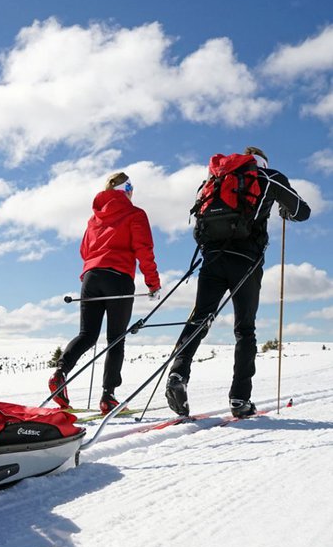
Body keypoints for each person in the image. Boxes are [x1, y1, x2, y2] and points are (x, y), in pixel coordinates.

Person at [165, 146, 311, 419]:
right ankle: (239, 398)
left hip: (212, 257)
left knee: (199, 319)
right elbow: (302, 211)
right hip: (246, 260)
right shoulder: (268, 177)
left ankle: (177, 374)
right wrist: (284, 211)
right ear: (262, 162)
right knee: (245, 330)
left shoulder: (214, 180)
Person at [49, 171, 161, 414]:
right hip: (118, 278)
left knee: (87, 334)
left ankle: (60, 373)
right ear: (127, 190)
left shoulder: (94, 218)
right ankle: (108, 397)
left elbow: (84, 250)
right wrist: (153, 283)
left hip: (91, 277)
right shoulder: (135, 213)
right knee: (116, 339)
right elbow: (144, 249)